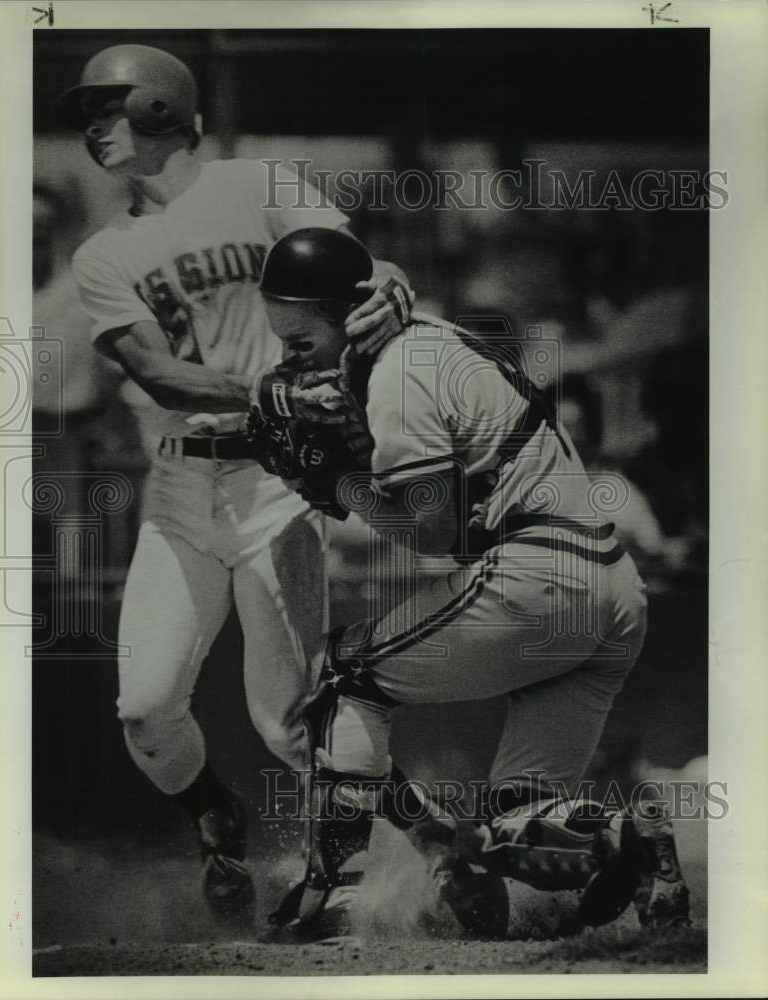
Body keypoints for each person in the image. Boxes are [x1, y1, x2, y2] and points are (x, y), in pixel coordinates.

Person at [57, 44, 414, 928]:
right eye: (86, 111)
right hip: (179, 487)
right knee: (143, 707)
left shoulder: (257, 184)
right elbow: (155, 371)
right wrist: (273, 388)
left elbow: (361, 271)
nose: (91, 125)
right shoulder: (106, 251)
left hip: (275, 482)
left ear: (158, 103)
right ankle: (213, 815)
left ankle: (437, 842)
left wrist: (393, 290)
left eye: (105, 104)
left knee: (290, 723)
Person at [252, 227, 690, 939]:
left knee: (343, 678)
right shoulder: (426, 337)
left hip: (540, 578)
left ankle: (328, 898)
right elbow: (450, 522)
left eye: (299, 342)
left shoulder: (397, 369)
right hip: (611, 594)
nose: (290, 362)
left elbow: (430, 531)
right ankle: (622, 832)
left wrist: (340, 485)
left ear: (349, 315)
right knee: (514, 822)